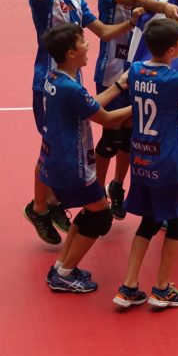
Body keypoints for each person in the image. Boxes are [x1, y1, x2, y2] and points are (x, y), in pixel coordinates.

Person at [24, 0, 136, 245]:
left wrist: (133, 20)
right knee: (51, 146)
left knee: (65, 142)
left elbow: (101, 31)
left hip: (73, 82)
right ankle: (39, 207)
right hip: (48, 84)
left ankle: (53, 202)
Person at [96, 0, 178, 220]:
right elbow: (137, 1)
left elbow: (155, 23)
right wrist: (162, 4)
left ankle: (118, 187)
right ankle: (96, 195)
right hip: (112, 73)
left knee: (131, 136)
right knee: (110, 139)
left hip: (141, 73)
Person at [113, 19, 178, 309]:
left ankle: (129, 285)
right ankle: (162, 288)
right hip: (166, 161)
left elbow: (132, 85)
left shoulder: (136, 70)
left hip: (140, 157)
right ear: (176, 49)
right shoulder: (176, 79)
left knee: (149, 220)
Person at [39, 23, 132, 293]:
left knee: (92, 212)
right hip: (73, 164)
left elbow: (89, 102)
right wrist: (139, 105)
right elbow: (105, 117)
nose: (88, 45)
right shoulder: (72, 89)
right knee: (101, 217)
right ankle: (65, 273)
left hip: (57, 159)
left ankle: (61, 267)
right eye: (83, 42)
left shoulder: (56, 79)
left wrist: (118, 85)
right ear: (70, 53)